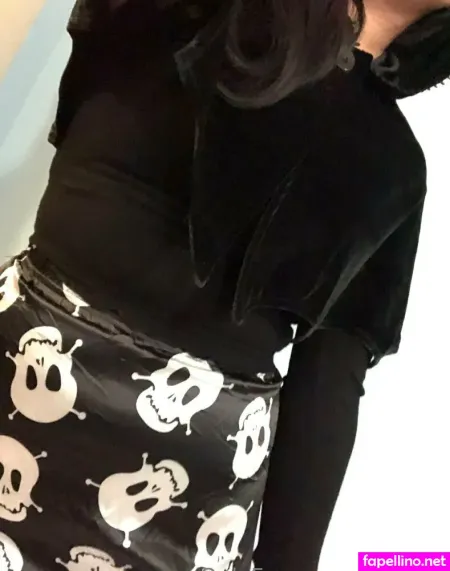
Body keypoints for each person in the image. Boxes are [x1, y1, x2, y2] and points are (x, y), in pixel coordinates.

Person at [0, 1, 449, 570]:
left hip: (197, 492)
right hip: (27, 372)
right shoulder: (187, 18)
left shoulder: (395, 168)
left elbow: (329, 384)